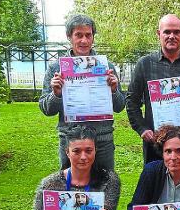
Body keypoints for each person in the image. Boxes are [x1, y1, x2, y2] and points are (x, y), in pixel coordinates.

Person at [39, 14, 125, 171]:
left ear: (93, 37)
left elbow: (120, 106)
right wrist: (56, 94)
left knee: (106, 187)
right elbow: (46, 109)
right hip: (71, 142)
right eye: (78, 35)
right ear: (69, 37)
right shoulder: (56, 68)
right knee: (72, 189)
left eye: (88, 35)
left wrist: (113, 91)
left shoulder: (106, 66)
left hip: (102, 141)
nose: (84, 40)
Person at [126, 14, 180, 165]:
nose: (172, 36)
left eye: (176, 32)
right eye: (167, 32)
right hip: (156, 144)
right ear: (158, 33)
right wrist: (142, 129)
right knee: (156, 185)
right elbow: (131, 101)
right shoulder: (145, 64)